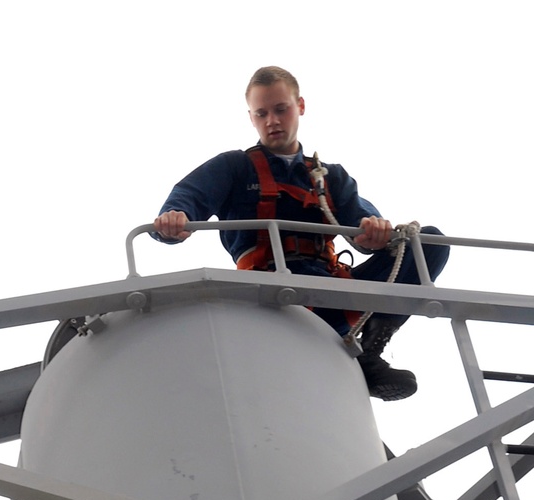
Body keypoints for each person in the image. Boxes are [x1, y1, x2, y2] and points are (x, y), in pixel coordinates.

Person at [153, 66, 449, 401]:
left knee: (430, 244)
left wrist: (373, 230)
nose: (272, 121)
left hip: (330, 289)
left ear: (301, 107)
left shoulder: (329, 177)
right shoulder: (234, 167)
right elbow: (186, 198)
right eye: (261, 113)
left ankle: (370, 346)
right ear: (251, 118)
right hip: (270, 293)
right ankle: (359, 358)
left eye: (281, 109)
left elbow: (362, 222)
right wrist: (172, 222)